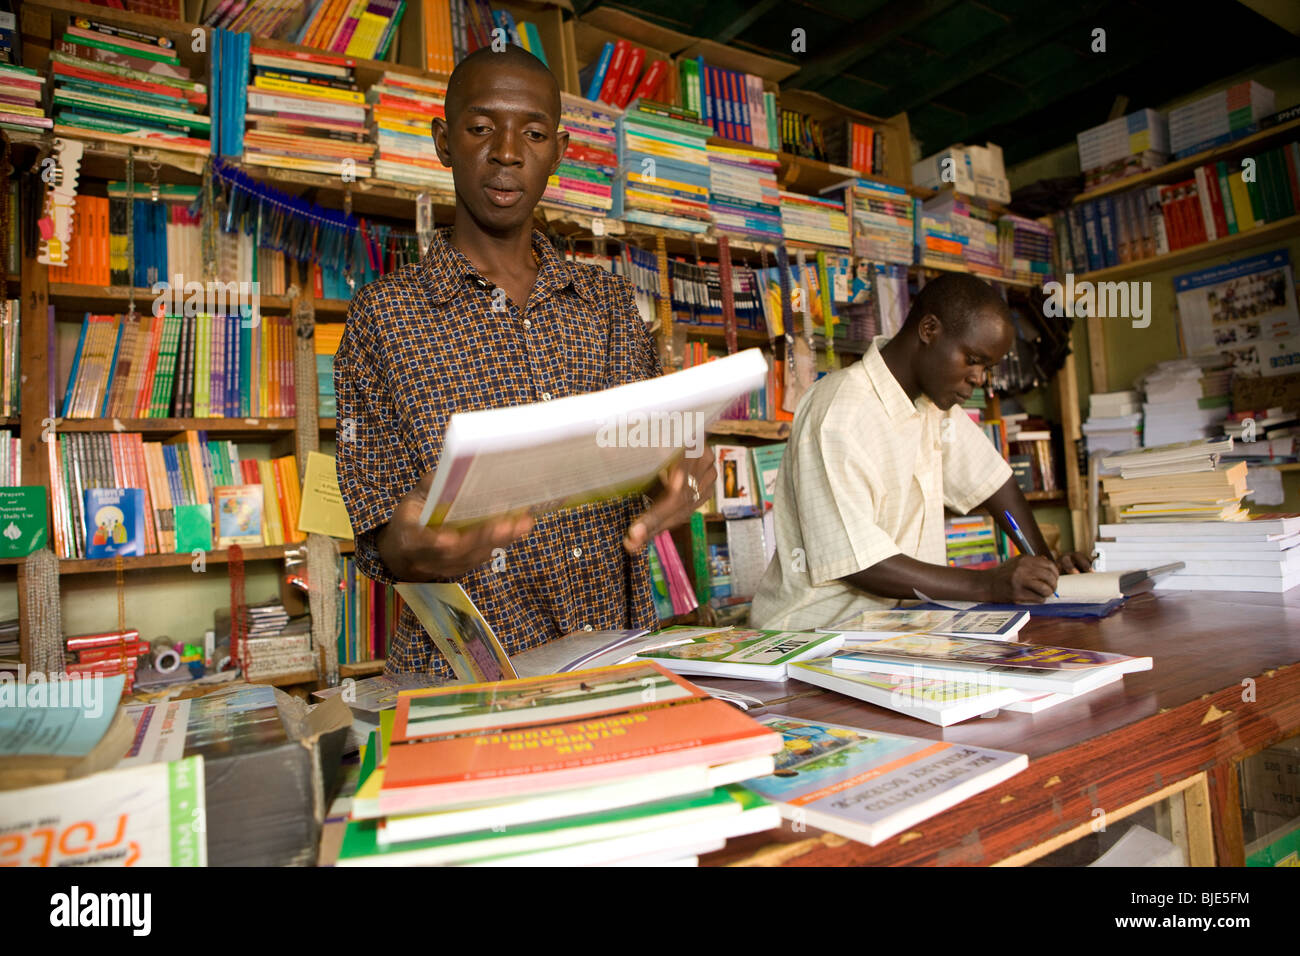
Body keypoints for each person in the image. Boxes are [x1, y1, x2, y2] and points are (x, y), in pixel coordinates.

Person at [334, 45, 714, 678]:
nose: (507, 151)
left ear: (558, 150)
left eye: (533, 133)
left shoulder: (610, 305)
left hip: (611, 664)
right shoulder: (384, 318)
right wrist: (420, 544)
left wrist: (681, 476)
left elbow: (659, 457)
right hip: (461, 684)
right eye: (481, 128)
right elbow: (385, 538)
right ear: (443, 141)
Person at [751, 273, 1091, 631]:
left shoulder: (932, 404)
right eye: (973, 359)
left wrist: (1045, 569)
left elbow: (994, 483)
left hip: (895, 631)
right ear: (929, 330)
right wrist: (990, 584)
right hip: (814, 638)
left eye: (987, 368)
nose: (979, 379)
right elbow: (858, 561)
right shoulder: (840, 411)